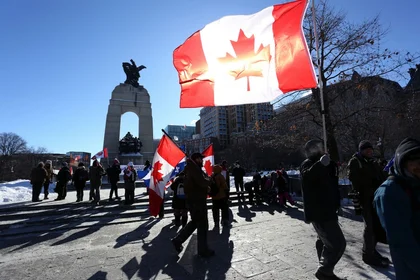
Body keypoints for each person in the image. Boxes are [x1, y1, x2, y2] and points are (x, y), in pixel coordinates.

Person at [374, 138, 420, 279]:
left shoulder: (415, 182)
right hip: (412, 269)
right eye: (414, 163)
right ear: (402, 163)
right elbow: (402, 242)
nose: (418, 166)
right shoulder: (389, 192)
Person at [300, 140, 346, 280]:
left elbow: (332, 186)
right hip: (319, 211)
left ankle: (326, 271)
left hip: (328, 209)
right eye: (319, 147)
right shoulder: (307, 164)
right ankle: (324, 270)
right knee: (337, 243)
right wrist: (320, 164)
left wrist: (337, 204)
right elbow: (307, 177)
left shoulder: (328, 163)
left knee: (325, 242)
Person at [348, 140, 389, 267]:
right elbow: (355, 179)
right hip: (365, 199)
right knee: (369, 227)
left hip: (375, 198)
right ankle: (367, 255)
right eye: (367, 150)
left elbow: (380, 176)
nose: (370, 151)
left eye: (371, 150)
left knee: (376, 226)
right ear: (361, 150)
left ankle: (372, 251)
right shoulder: (356, 162)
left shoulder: (372, 161)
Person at [171, 152, 214, 258]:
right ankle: (203, 250)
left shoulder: (192, 168)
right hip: (197, 201)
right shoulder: (193, 168)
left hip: (194, 200)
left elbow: (198, 183)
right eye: (201, 159)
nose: (202, 161)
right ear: (196, 159)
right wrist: (210, 180)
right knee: (203, 224)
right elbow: (202, 181)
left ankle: (178, 240)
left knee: (195, 222)